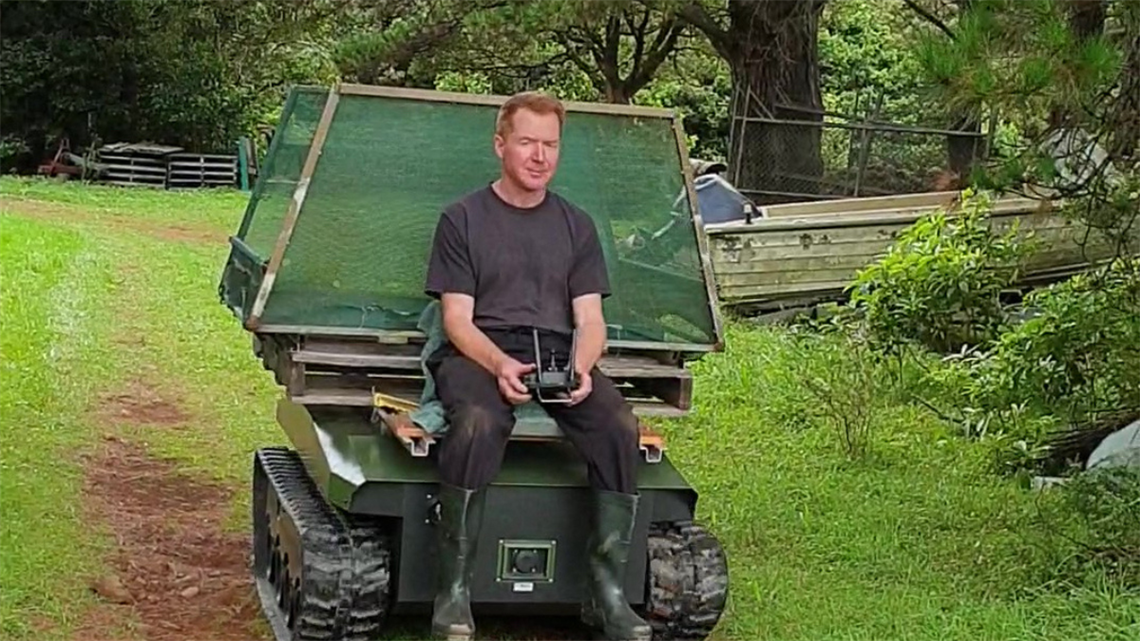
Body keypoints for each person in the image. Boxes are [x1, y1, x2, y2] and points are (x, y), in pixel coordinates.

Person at [422, 91, 651, 641]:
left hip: (557, 353)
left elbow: (590, 319)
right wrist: (500, 364)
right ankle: (452, 593)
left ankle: (607, 593)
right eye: (527, 142)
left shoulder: (576, 225)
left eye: (550, 145)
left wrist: (582, 367)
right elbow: (455, 319)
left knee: (619, 426)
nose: (539, 156)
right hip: (479, 351)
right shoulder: (462, 219)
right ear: (501, 144)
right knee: (478, 423)